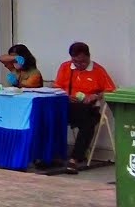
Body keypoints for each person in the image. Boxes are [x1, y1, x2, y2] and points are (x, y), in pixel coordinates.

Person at [54, 42, 117, 173]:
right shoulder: (66, 67)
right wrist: (66, 95)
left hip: (88, 108)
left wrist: (96, 96)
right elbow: (56, 87)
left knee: (88, 123)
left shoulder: (98, 70)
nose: (78, 65)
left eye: (82, 62)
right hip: (68, 106)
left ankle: (74, 159)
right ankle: (50, 155)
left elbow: (111, 90)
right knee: (49, 118)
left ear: (88, 57)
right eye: (75, 62)